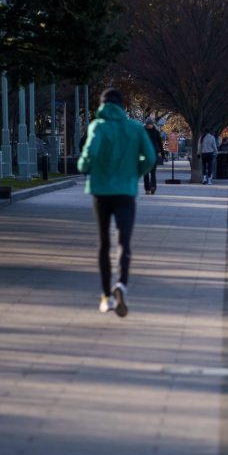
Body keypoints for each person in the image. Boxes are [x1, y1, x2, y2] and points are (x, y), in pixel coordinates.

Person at [77, 88, 155, 317]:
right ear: (122, 106)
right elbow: (150, 157)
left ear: (102, 105)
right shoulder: (135, 128)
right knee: (124, 240)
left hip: (101, 192)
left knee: (104, 243)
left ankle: (105, 296)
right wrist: (134, 174)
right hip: (126, 192)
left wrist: (83, 166)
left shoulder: (97, 127)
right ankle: (121, 283)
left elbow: (89, 152)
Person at [143, 118, 165, 194]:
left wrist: (163, 154)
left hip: (153, 154)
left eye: (150, 124)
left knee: (153, 172)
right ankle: (147, 188)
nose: (149, 126)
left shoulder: (156, 133)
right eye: (148, 125)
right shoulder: (143, 132)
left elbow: (160, 143)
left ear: (152, 124)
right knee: (145, 173)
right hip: (144, 154)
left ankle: (153, 187)